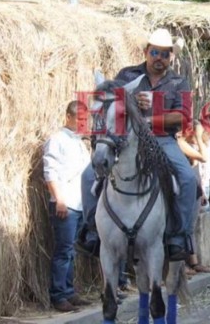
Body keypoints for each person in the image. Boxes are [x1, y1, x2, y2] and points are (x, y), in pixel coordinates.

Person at [77, 28, 197, 262]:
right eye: (155, 52)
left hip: (162, 139)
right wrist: (131, 102)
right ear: (146, 52)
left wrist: (148, 119)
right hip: (127, 139)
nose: (159, 58)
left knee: (188, 178)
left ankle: (177, 237)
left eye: (165, 54)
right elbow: (111, 102)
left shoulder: (178, 82)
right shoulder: (127, 75)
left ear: (170, 56)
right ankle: (91, 230)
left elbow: (183, 117)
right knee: (88, 177)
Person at [43, 100, 92, 312]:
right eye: (79, 119)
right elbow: (50, 171)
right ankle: (58, 295)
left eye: (85, 119)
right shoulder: (57, 140)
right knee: (63, 251)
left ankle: (69, 292)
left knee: (71, 251)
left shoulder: (80, 142)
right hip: (66, 204)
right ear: (68, 117)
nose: (83, 123)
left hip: (80, 204)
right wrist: (59, 200)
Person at [176, 119, 210, 275]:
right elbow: (203, 157)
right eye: (197, 131)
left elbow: (198, 171)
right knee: (181, 226)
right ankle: (180, 263)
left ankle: (193, 262)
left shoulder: (191, 145)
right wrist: (197, 136)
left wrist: (202, 191)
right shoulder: (179, 144)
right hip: (182, 190)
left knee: (190, 227)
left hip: (195, 189)